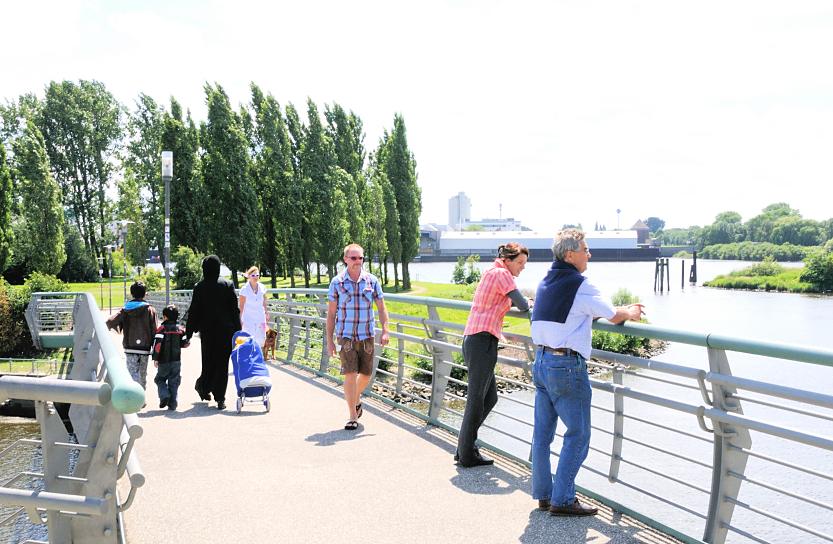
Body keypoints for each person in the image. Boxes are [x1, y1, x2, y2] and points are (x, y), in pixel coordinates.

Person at [530, 228, 644, 516]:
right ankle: (564, 499)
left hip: (541, 361)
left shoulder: (546, 281)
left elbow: (575, 312)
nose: (589, 254)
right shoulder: (580, 284)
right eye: (586, 250)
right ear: (571, 254)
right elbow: (614, 315)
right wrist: (630, 312)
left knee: (543, 434)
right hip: (566, 366)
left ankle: (544, 495)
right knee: (578, 434)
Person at [456, 243, 530, 467]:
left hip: (477, 340)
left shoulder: (492, 272)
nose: (522, 268)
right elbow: (523, 304)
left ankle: (464, 448)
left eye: (524, 264)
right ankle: (467, 453)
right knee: (477, 400)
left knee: (489, 398)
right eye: (519, 263)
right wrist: (528, 303)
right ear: (507, 260)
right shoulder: (502, 274)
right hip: (483, 341)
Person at [326, 243, 389, 431]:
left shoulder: (372, 281)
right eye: (353, 258)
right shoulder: (336, 283)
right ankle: (353, 415)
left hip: (367, 335)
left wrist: (386, 330)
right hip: (345, 336)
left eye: (361, 258)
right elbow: (331, 314)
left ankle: (355, 397)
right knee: (350, 374)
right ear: (345, 259)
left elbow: (382, 307)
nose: (358, 261)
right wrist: (329, 341)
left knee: (366, 374)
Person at [185, 255, 241, 410]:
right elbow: (234, 311)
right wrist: (238, 332)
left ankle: (203, 386)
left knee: (208, 362)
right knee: (222, 365)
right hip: (226, 332)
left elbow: (194, 312)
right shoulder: (228, 284)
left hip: (207, 332)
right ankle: (220, 398)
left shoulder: (200, 287)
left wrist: (188, 332)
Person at [107, 281, 158, 391]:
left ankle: (134, 396)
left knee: (132, 373)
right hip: (145, 348)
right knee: (143, 374)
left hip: (130, 347)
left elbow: (110, 322)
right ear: (145, 294)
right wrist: (156, 350)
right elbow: (154, 331)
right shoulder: (150, 310)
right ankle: (142, 396)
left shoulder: (125, 309)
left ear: (132, 294)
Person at [152, 305, 190, 411]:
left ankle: (164, 395)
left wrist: (155, 358)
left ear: (165, 317)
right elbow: (185, 343)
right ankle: (173, 403)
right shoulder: (180, 329)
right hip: (176, 361)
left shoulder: (161, 329)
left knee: (159, 379)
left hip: (163, 361)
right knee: (174, 381)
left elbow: (157, 345)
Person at [238, 266, 268, 347]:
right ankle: (249, 357)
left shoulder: (262, 287)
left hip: (261, 318)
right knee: (248, 340)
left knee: (262, 339)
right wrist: (239, 319)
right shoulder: (244, 290)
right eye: (253, 275)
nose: (255, 277)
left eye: (257, 275)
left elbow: (264, 302)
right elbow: (241, 307)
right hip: (248, 319)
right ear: (249, 276)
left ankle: (257, 357)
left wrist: (266, 313)